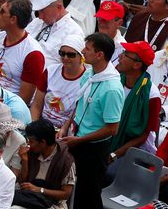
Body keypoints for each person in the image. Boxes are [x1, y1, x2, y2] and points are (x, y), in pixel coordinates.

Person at [58, 33, 123, 209]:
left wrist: (80, 140)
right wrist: (65, 127)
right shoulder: (90, 75)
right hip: (76, 138)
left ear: (100, 55)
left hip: (93, 148)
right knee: (73, 187)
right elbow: (79, 104)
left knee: (88, 195)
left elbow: (112, 129)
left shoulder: (112, 88)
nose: (83, 51)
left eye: (87, 49)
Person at [107, 40, 162, 177]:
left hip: (134, 149)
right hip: (108, 138)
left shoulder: (152, 94)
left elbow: (144, 136)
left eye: (125, 54)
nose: (120, 56)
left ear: (137, 65)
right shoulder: (114, 80)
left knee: (108, 173)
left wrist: (114, 154)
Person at [0, 0, 45, 104]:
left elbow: (23, 101)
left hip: (9, 108)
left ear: (13, 19)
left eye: (2, 11)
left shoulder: (33, 54)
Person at [15, 119, 76, 209]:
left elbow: (65, 194)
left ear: (43, 142)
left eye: (31, 141)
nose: (29, 144)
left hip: (52, 203)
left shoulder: (66, 160)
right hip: (28, 197)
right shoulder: (31, 152)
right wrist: (24, 160)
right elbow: (22, 182)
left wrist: (40, 190)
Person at [33, 35, 88, 128]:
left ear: (81, 57)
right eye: (62, 53)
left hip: (65, 132)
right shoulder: (50, 71)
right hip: (41, 125)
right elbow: (37, 105)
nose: (65, 58)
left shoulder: (87, 80)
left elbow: (78, 115)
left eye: (71, 55)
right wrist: (33, 126)